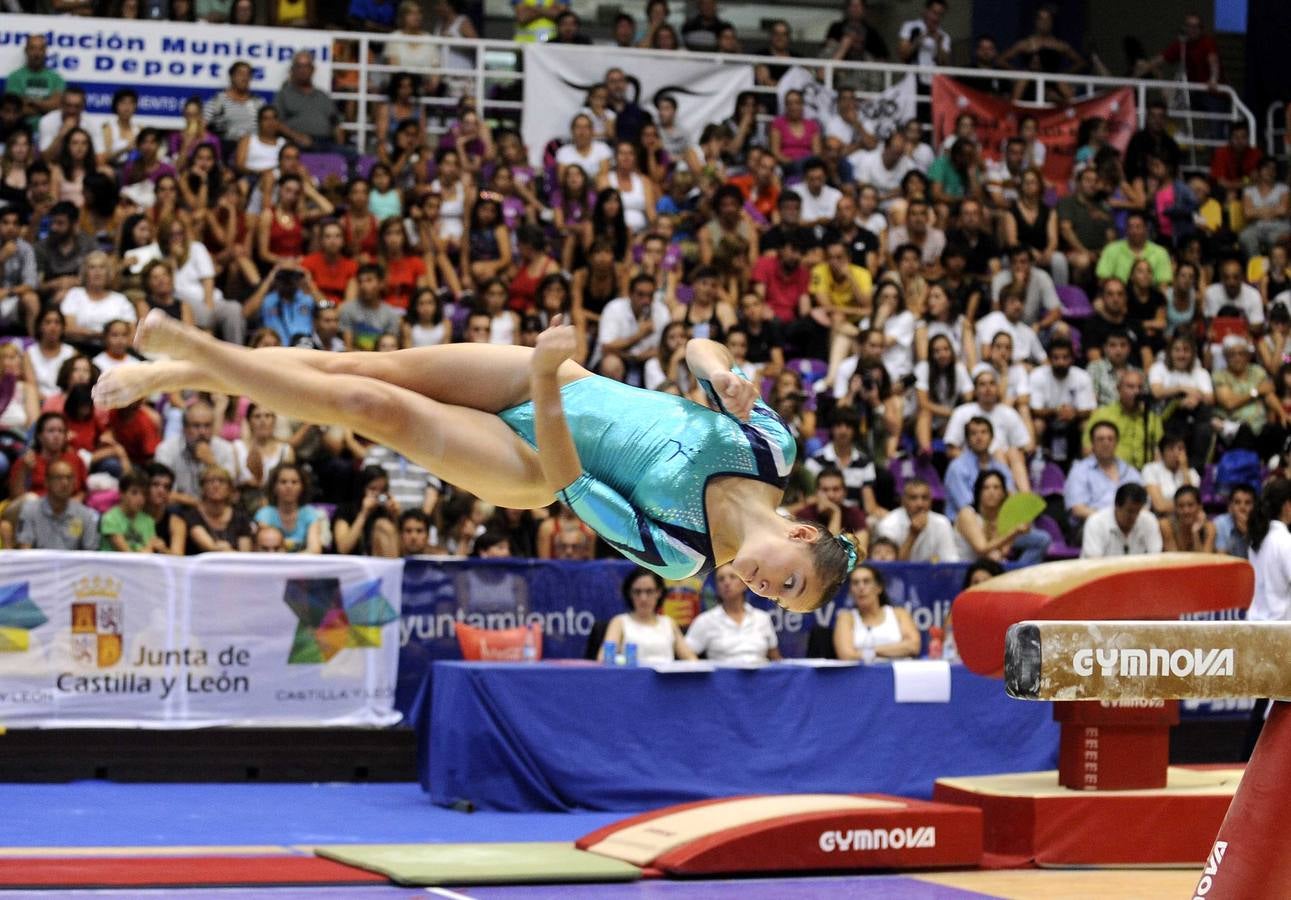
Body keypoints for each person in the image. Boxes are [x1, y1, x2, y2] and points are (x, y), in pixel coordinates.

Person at [97, 310, 862, 611]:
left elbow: (569, 481)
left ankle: (198, 353)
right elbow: (700, 346)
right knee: (356, 368)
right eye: (784, 582)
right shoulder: (770, 446)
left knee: (373, 410)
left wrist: (539, 382)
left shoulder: (680, 558)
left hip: (528, 461)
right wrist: (720, 373)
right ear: (798, 535)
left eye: (773, 601)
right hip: (568, 381)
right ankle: (177, 374)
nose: (763, 589)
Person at [684, 564, 781, 664]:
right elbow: (685, 652)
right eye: (721, 579)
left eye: (732, 577)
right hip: (723, 678)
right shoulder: (705, 620)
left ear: (745, 584)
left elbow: (775, 659)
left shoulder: (762, 618)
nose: (727, 582)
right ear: (716, 588)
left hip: (761, 678)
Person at [599, 567, 698, 663]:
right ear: (629, 593)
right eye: (637, 592)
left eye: (649, 591)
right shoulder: (619, 622)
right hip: (631, 678)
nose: (643, 598)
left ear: (659, 592)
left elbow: (691, 659)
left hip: (665, 679)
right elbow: (603, 659)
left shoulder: (668, 623)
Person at [955, 470, 1051, 565]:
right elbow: (982, 548)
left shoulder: (1001, 517)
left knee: (1042, 539)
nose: (991, 492)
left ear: (1003, 493)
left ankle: (1020, 573)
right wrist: (1014, 532)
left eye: (996, 488)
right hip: (965, 568)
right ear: (978, 492)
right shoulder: (967, 513)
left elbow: (1003, 552)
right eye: (985, 488)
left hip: (987, 568)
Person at [153, 399, 237, 505]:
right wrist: (196, 504)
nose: (202, 432)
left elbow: (232, 493)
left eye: (207, 426)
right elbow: (162, 493)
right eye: (196, 426)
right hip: (178, 508)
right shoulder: (167, 449)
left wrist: (212, 464)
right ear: (184, 428)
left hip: (214, 509)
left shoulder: (225, 449)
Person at [1066, 421, 1143, 534]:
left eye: (1110, 439)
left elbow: (1144, 503)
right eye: (1100, 439)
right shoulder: (1079, 471)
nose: (1106, 443)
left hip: (1129, 524)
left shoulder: (1129, 471)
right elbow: (1078, 510)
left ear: (1116, 443)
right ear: (1092, 444)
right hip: (1092, 526)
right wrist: (1113, 520)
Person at [1028, 337, 1095, 465]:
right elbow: (1035, 409)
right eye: (1056, 358)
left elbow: (1089, 409)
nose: (1061, 362)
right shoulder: (1038, 375)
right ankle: (1037, 462)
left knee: (1086, 424)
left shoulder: (1082, 376)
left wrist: (1074, 413)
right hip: (1048, 421)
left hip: (1074, 422)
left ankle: (1088, 463)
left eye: (1065, 357)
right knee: (1038, 424)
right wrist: (1056, 411)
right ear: (1049, 359)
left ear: (1072, 359)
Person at [831, 565, 920, 661]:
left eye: (866, 581)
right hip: (861, 675)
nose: (861, 587)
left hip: (899, 673)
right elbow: (846, 655)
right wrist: (896, 649)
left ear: (879, 588)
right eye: (855, 583)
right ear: (851, 591)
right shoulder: (846, 617)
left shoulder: (899, 614)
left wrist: (871, 652)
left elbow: (913, 646)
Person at [1084, 369, 1163, 471]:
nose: (1136, 392)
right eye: (1130, 387)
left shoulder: (1151, 418)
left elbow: (1159, 453)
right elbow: (1087, 450)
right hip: (1110, 473)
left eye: (1140, 387)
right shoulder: (1102, 415)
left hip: (1145, 475)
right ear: (1118, 389)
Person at [15, 459, 97, 550]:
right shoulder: (30, 510)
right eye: (58, 478)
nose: (65, 483)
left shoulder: (85, 515)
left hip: (73, 564)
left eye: (69, 478)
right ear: (46, 482)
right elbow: (25, 551)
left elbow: (90, 555)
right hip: (40, 563)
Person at [943, 416, 1013, 521]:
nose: (979, 437)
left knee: (1039, 537)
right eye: (974, 433)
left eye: (984, 432)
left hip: (997, 522)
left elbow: (1010, 497)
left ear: (992, 437)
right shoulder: (957, 467)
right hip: (965, 524)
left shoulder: (1001, 467)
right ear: (967, 440)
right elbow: (967, 505)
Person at [874, 478, 960, 563]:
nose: (920, 504)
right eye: (913, 498)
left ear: (931, 500)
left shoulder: (942, 523)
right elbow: (891, 566)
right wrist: (913, 534)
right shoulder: (888, 523)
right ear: (903, 501)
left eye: (925, 498)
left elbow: (950, 561)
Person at [1080, 482, 1162, 558]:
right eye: (1130, 511)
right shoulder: (1096, 523)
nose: (1134, 516)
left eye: (1138, 512)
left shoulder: (1149, 521)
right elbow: (1093, 562)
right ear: (1116, 505)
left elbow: (1155, 557)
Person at [1096, 211, 1174, 286]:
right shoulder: (1111, 250)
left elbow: (1163, 285)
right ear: (1126, 230)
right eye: (1130, 227)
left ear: (1146, 229)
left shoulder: (1160, 253)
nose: (1134, 231)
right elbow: (1102, 280)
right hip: (1118, 296)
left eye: (1138, 227)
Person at [4, 36, 65, 131]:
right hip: (19, 131)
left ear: (45, 51)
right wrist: (46, 105)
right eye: (33, 48)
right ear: (26, 51)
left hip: (49, 132)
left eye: (40, 49)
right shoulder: (15, 77)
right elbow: (14, 110)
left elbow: (57, 107)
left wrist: (31, 101)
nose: (36, 53)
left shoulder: (56, 78)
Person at [792, 465, 867, 538]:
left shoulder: (855, 515)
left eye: (836, 489)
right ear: (816, 492)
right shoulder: (804, 516)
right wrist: (835, 513)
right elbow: (828, 550)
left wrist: (835, 513)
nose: (831, 495)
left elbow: (862, 548)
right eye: (825, 490)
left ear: (845, 492)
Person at [100, 470, 164, 553]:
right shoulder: (110, 518)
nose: (140, 499)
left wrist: (162, 548)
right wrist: (149, 547)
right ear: (121, 494)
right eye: (134, 493)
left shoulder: (148, 521)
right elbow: (127, 554)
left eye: (144, 494)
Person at [1141, 433, 1200, 516]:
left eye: (1180, 449)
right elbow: (1159, 506)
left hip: (1185, 520)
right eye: (1171, 449)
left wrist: (1185, 471)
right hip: (1159, 518)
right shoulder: (1150, 469)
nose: (1176, 454)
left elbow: (1193, 503)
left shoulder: (1192, 473)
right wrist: (1185, 507)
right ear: (1162, 453)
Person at [1160, 485, 1215, 553]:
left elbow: (1206, 560)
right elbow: (1173, 559)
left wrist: (1195, 533)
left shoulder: (1209, 528)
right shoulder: (1166, 526)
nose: (1186, 511)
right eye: (1181, 506)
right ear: (1175, 508)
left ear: (1200, 506)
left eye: (1190, 505)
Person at [1214, 483, 1255, 559]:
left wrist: (1246, 534)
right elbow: (1222, 558)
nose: (1242, 507)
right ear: (1230, 506)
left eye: (1247, 503)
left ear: (1255, 506)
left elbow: (1261, 558)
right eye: (1237, 502)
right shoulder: (1220, 523)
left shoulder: (1261, 523)